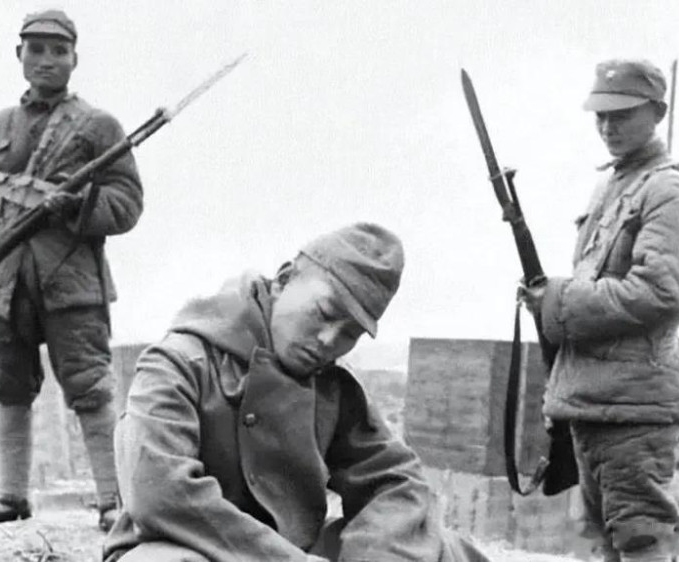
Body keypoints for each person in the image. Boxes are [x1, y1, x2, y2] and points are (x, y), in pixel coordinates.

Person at [102, 223, 490, 561]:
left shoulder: (332, 389)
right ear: (285, 279)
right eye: (324, 313)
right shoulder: (180, 362)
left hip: (295, 548)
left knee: (443, 548)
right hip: (191, 546)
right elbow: (161, 495)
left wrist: (375, 553)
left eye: (351, 333)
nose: (329, 340)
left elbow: (396, 481)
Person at [0, 10, 143, 531]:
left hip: (72, 282)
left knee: (91, 387)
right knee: (7, 385)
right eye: (36, 49)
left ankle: (113, 501)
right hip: (4, 281)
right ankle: (10, 498)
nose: (47, 60)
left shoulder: (98, 127)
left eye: (58, 51)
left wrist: (78, 206)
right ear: (18, 55)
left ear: (74, 58)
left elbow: (127, 203)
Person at [522, 59, 679, 562]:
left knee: (641, 542)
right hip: (592, 404)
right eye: (601, 116)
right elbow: (600, 281)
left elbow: (660, 292)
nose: (608, 127)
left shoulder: (667, 191)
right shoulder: (615, 186)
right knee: (596, 547)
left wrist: (558, 301)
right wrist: (545, 297)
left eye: (622, 115)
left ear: (657, 113)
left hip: (634, 411)